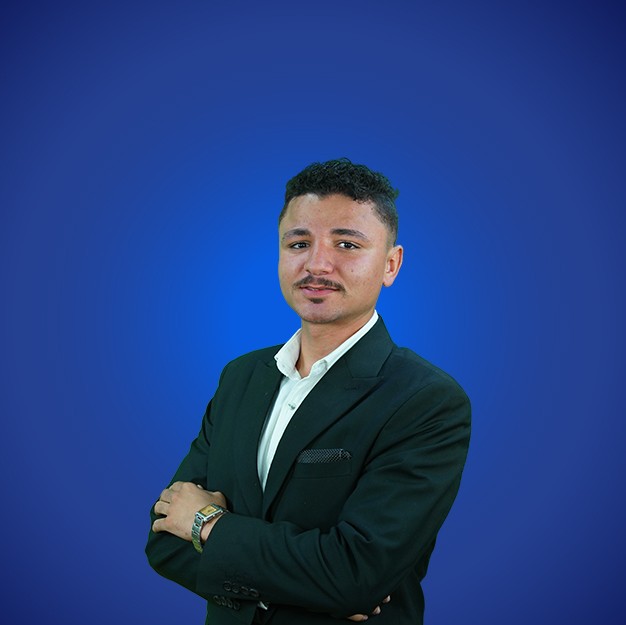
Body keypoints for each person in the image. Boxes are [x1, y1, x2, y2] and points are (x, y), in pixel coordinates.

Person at [146, 158, 471, 624]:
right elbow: (164, 540)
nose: (317, 264)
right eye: (298, 243)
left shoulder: (426, 400)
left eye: (347, 244)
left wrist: (207, 525)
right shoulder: (241, 377)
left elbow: (356, 576)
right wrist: (316, 589)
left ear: (391, 264)